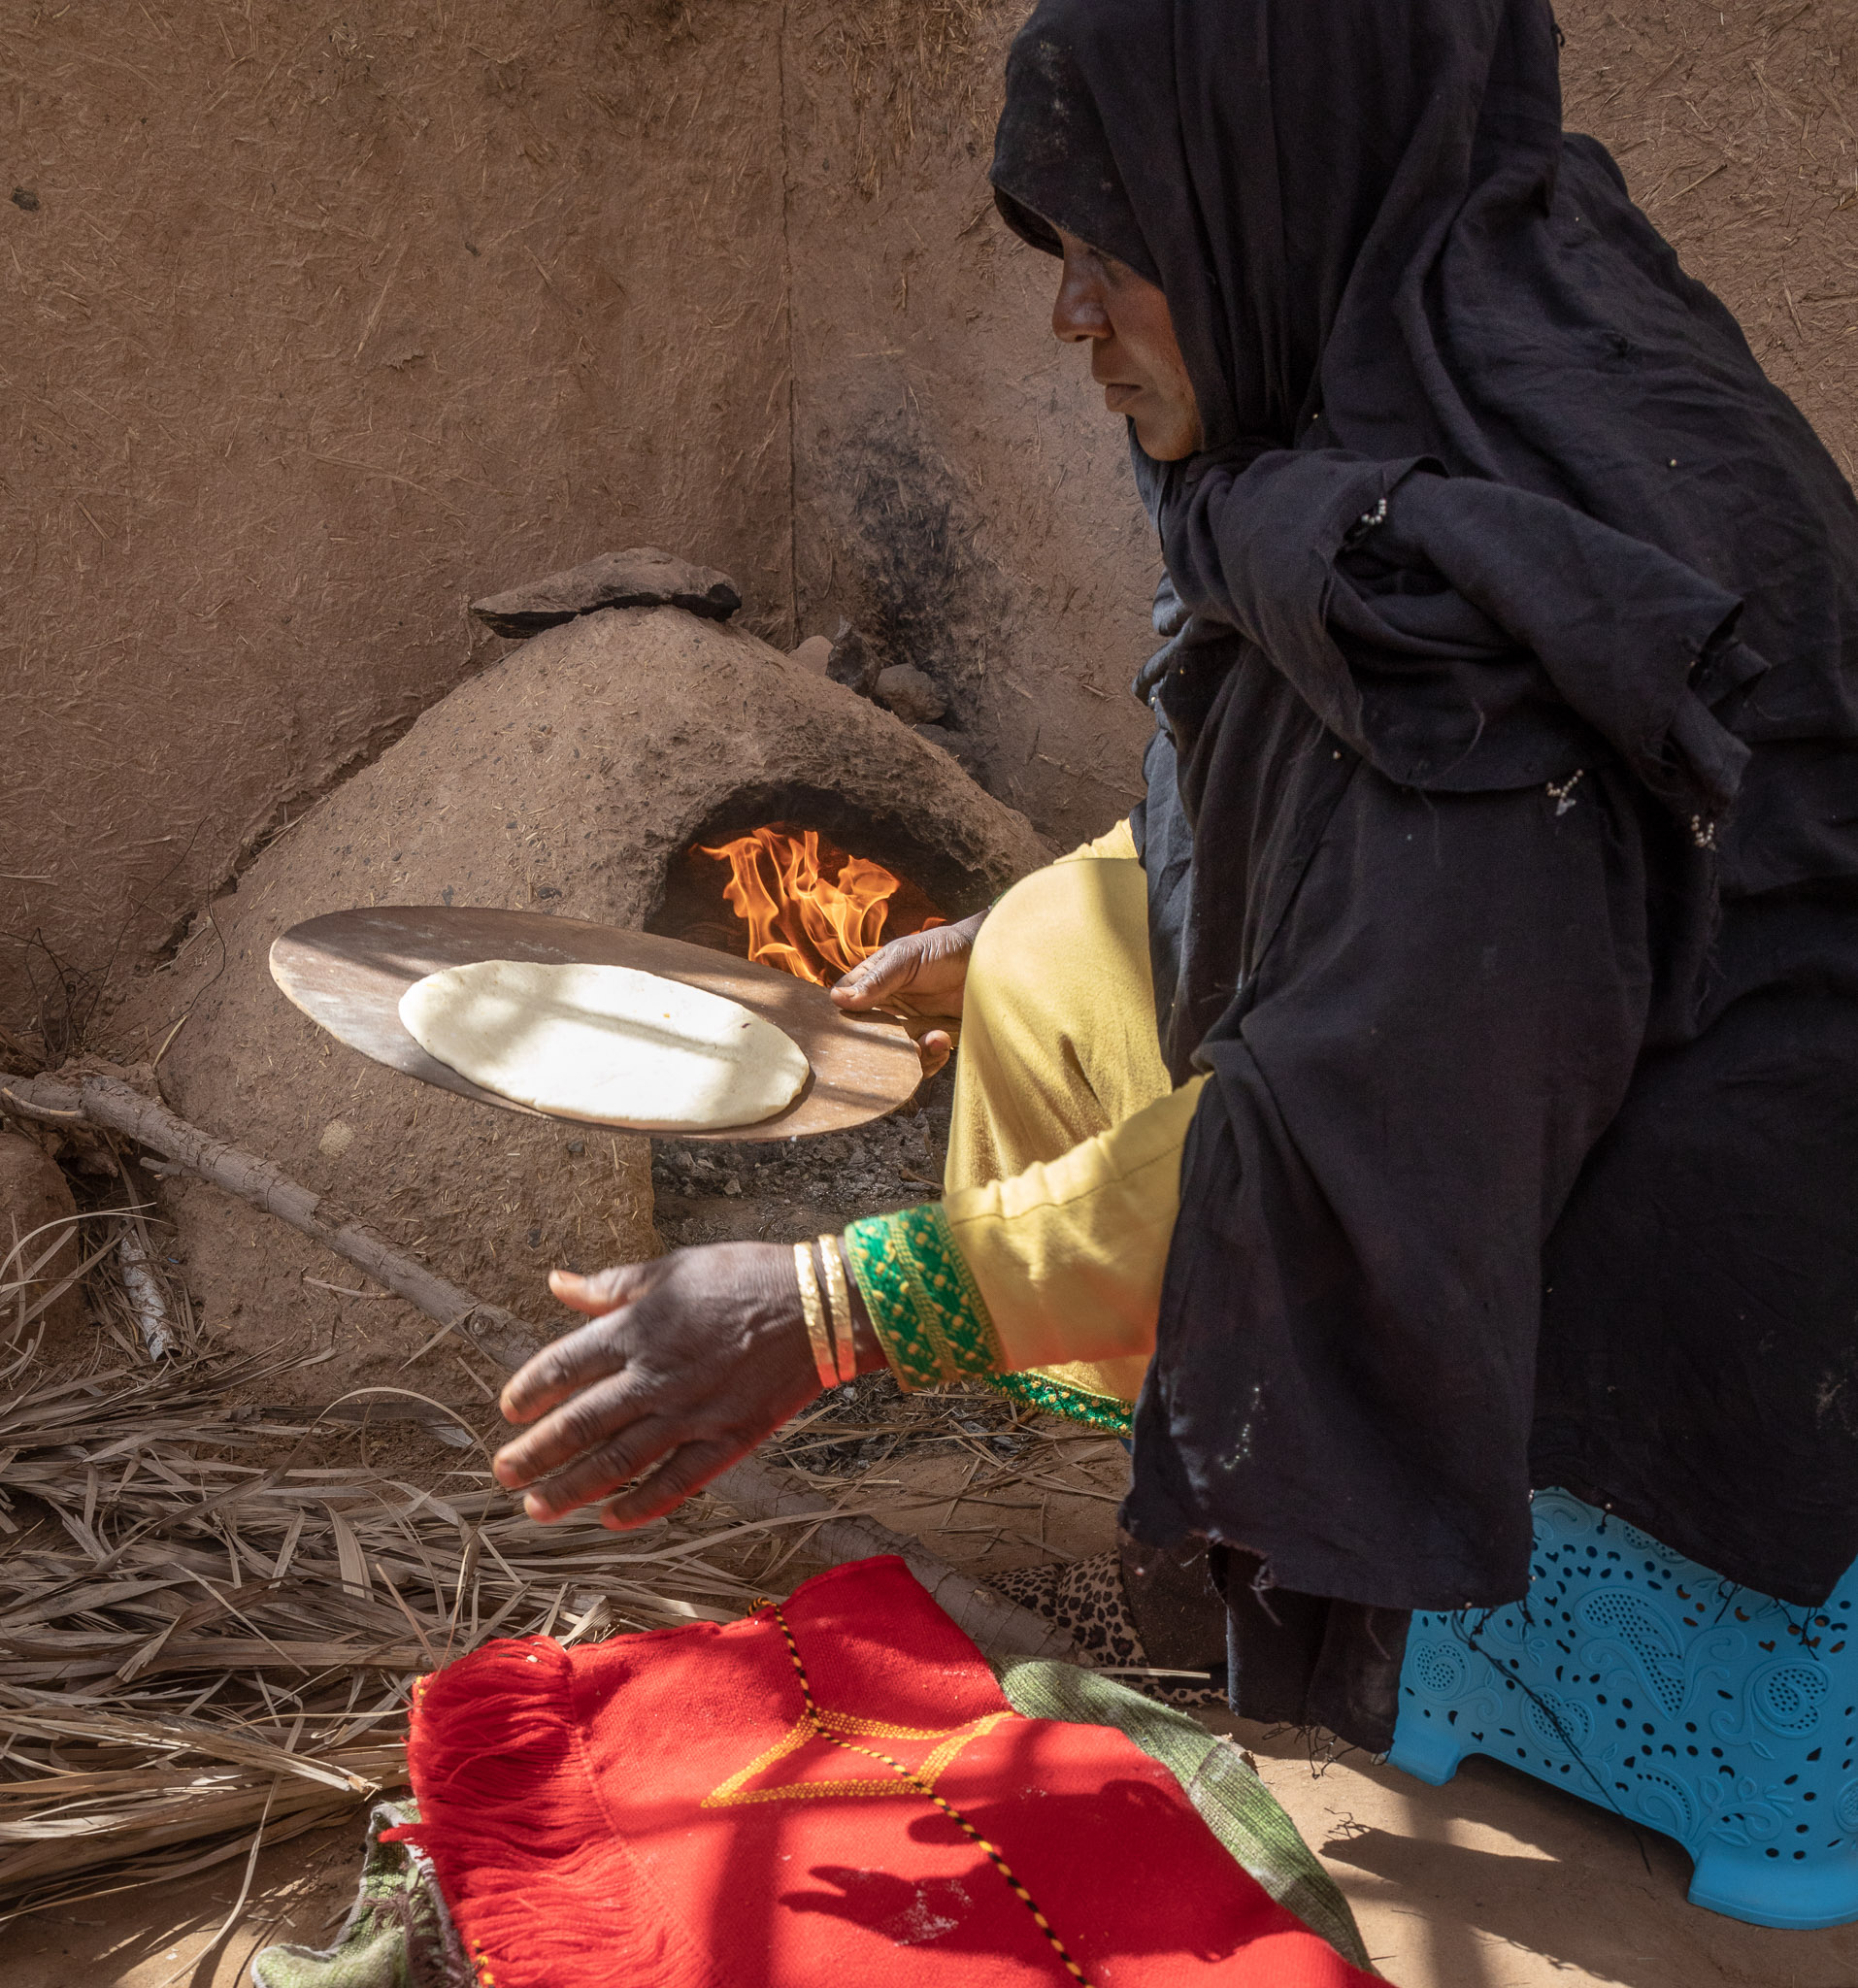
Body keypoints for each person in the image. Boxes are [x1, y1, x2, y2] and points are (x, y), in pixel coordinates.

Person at [491, 0, 1858, 1749]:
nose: (1073, 314)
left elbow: (1355, 1131)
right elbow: (1375, 875)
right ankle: (1162, 1463)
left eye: (1118, 258)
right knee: (1065, 940)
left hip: (1707, 1244)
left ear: (1261, 203)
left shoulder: (1464, 605)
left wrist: (826, 1307)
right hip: (1573, 1041)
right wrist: (1016, 923)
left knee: (1230, 1109)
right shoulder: (1476, 343)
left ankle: (1340, 1581)